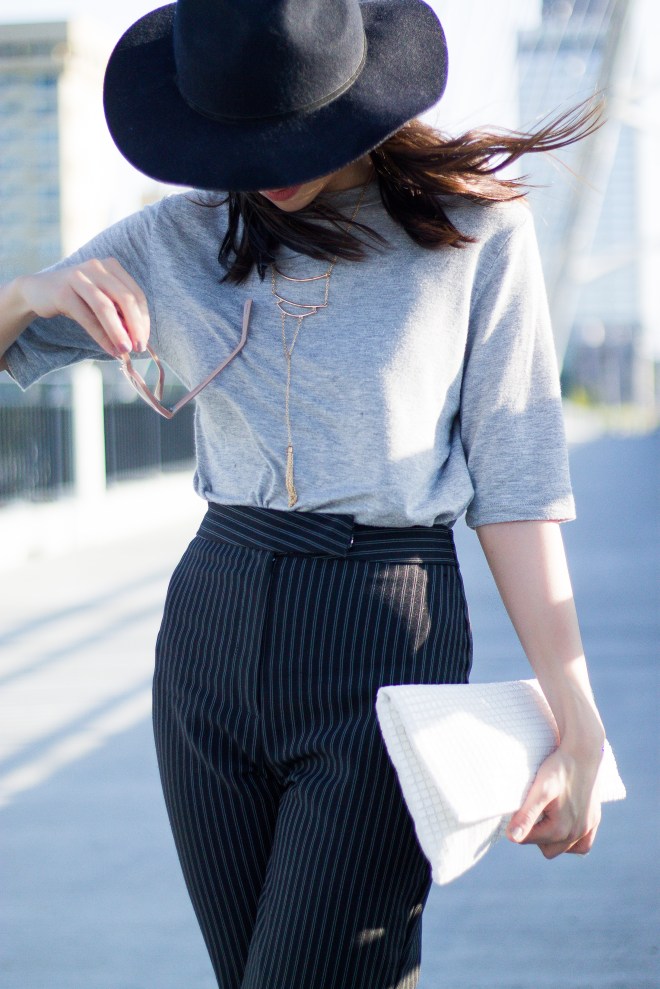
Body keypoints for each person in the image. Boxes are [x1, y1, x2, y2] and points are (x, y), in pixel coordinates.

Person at [0, 1, 608, 987]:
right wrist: (28, 296)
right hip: (211, 625)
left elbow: (518, 484)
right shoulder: (176, 234)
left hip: (382, 633)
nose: (270, 164)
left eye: (293, 129)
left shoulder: (476, 233)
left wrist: (575, 713)